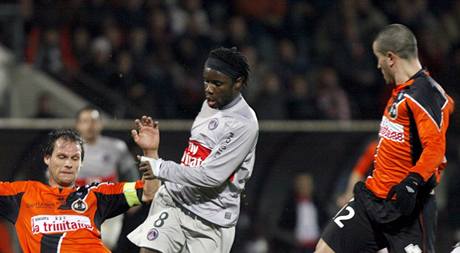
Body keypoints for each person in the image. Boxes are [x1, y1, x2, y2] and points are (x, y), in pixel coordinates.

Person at [315, 24, 455, 253]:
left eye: (378, 58)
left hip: (408, 211)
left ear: (390, 58)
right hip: (371, 200)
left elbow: (435, 148)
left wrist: (412, 183)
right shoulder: (402, 92)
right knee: (324, 250)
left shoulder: (425, 93)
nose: (377, 65)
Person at [127, 47, 259, 253]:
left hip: (210, 221)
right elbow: (195, 158)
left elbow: (212, 176)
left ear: (238, 83)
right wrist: (152, 152)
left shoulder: (243, 124)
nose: (209, 88)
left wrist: (161, 167)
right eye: (206, 81)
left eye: (217, 83)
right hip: (174, 203)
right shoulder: (210, 105)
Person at [0, 128, 160, 252]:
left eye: (75, 158)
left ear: (81, 163)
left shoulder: (97, 194)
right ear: (47, 158)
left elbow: (149, 192)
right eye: (62, 157)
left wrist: (150, 152)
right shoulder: (23, 194)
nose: (68, 164)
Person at [75, 106, 140, 250]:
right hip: (79, 204)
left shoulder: (116, 147)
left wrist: (135, 197)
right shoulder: (67, 148)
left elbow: (130, 173)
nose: (90, 125)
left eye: (94, 121)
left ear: (101, 123)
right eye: (85, 121)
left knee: (107, 243)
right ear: (77, 124)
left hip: (109, 202)